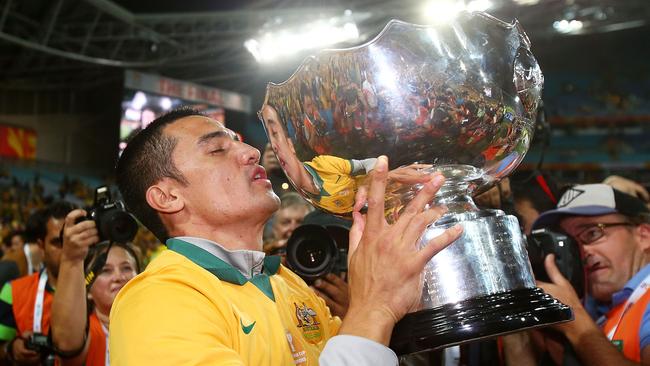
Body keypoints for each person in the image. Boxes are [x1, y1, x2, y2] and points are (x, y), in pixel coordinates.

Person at [108, 108, 462, 365]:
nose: (251, 152)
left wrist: (396, 297)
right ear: (168, 197)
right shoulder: (157, 301)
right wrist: (372, 309)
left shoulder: (286, 282)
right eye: (217, 149)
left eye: (240, 143)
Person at [522, 183, 650, 365]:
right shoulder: (603, 307)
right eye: (572, 243)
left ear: (644, 236)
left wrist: (575, 322)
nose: (582, 252)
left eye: (592, 233)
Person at [50, 209, 140, 365]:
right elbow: (65, 344)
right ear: (88, 290)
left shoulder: (155, 323)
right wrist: (72, 259)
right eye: (105, 270)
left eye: (126, 268)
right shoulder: (86, 332)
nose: (119, 277)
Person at [0, 201, 74, 365]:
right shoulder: (13, 292)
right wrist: (11, 349)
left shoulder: (101, 292)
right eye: (58, 242)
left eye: (72, 241)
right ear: (42, 246)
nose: (67, 250)